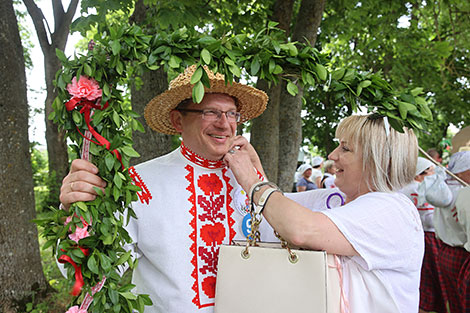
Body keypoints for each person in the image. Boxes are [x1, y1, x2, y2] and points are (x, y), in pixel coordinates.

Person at [58, 65, 277, 313]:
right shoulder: (138, 182)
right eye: (211, 112)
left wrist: (259, 180)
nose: (225, 124)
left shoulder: (250, 178)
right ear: (177, 120)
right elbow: (88, 269)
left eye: (231, 114)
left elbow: (284, 243)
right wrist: (76, 211)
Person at [223, 114, 424, 313]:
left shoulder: (392, 210)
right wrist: (255, 168)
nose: (332, 155)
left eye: (345, 148)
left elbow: (299, 229)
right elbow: (276, 211)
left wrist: (251, 180)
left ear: (377, 159)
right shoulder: (335, 199)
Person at [420, 151, 470, 313]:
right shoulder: (463, 192)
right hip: (462, 254)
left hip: (445, 250)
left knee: (454, 298)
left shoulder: (442, 188)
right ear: (463, 171)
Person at [399, 157, 446, 313]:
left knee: (420, 279)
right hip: (429, 239)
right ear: (420, 174)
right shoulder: (425, 190)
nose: (433, 174)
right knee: (432, 279)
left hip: (409, 239)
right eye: (431, 171)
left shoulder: (401, 190)